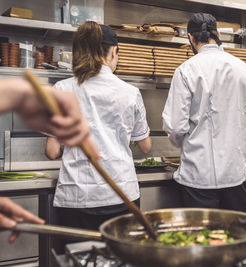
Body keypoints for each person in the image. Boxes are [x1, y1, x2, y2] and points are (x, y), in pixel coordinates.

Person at [45, 21, 152, 230]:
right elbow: (146, 147)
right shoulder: (130, 92)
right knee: (121, 259)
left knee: (77, 259)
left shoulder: (62, 89)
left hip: (76, 197)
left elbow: (51, 151)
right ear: (113, 52)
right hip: (122, 195)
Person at [162, 13, 246, 212]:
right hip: (234, 176)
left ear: (190, 38)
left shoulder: (186, 70)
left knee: (202, 239)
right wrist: (234, 131)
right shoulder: (244, 69)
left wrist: (181, 142)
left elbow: (175, 125)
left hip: (198, 177)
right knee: (236, 237)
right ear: (217, 34)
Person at [0, 77, 99, 242]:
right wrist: (17, 95)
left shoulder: (65, 87)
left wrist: (17, 95)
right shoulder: (129, 92)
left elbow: (51, 151)